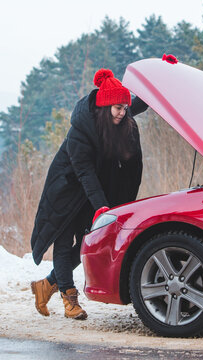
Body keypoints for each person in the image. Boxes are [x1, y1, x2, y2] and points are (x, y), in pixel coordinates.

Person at [30, 68, 148, 320]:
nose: (123, 112)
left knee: (87, 241)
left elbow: (136, 105)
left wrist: (162, 81)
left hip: (91, 190)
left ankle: (46, 285)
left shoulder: (117, 118)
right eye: (117, 108)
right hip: (66, 189)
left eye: (124, 108)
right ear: (105, 108)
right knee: (63, 243)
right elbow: (84, 173)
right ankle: (69, 300)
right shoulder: (80, 131)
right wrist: (102, 206)